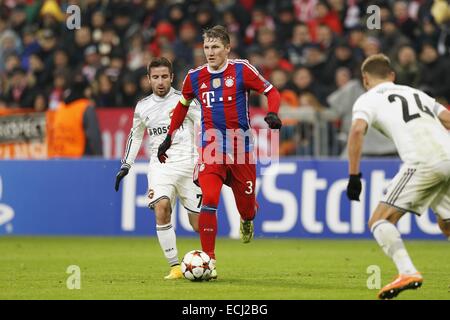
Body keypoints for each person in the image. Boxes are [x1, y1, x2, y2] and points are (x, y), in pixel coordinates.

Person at [157, 25, 282, 279]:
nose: (210, 52)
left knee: (246, 208)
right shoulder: (194, 77)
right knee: (210, 199)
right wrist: (169, 136)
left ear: (227, 48)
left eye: (215, 47)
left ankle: (248, 219)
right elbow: (181, 107)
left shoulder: (242, 70)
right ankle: (209, 261)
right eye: (206, 47)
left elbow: (271, 91)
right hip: (211, 148)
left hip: (241, 149)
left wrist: (273, 112)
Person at [346, 54, 450, 299]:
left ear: (365, 80)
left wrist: (354, 175)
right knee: (447, 224)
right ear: (392, 75)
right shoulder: (416, 93)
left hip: (422, 162)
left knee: (379, 220)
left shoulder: (367, 99)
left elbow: (357, 130)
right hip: (448, 155)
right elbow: (447, 118)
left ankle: (407, 271)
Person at [114, 57, 202, 280]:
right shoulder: (143, 106)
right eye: (156, 77)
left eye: (164, 76)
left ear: (172, 78)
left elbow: (204, 127)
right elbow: (135, 137)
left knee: (198, 224)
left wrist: (206, 159)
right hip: (161, 167)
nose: (160, 81)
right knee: (161, 207)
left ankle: (208, 261)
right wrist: (126, 164)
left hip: (189, 165)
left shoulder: (187, 101)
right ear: (148, 79)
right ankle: (174, 266)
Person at [47, 73, 103, 158]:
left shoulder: (60, 107)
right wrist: (100, 159)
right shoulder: (86, 108)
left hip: (59, 159)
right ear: (86, 90)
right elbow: (94, 137)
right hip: (79, 160)